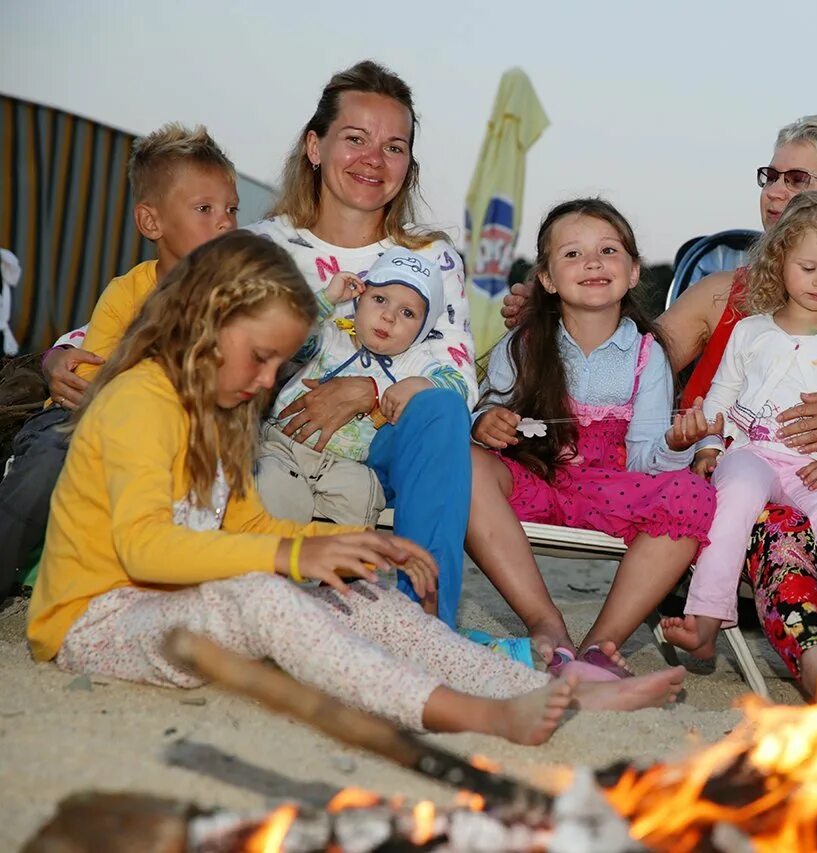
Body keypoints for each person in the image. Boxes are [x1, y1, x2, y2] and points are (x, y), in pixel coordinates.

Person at [26, 231, 687, 745]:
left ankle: (560, 688)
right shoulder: (138, 402)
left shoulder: (221, 410)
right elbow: (145, 549)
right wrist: (292, 558)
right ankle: (467, 711)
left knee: (365, 595)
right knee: (268, 595)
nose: (265, 382)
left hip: (188, 599)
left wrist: (355, 543)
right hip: (101, 618)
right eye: (260, 358)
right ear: (203, 321)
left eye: (278, 366)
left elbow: (250, 528)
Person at [506, 116, 817, 698]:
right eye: (771, 175)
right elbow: (622, 364)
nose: (773, 192)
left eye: (797, 179)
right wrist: (551, 316)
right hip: (726, 484)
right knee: (777, 523)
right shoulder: (724, 295)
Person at [246, 61, 477, 626]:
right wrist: (66, 350)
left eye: (394, 147)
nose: (374, 159)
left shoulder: (433, 259)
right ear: (315, 146)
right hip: (271, 434)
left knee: (442, 412)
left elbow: (458, 373)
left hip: (378, 440)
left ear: (409, 167)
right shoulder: (262, 246)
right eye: (355, 139)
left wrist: (370, 390)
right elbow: (176, 315)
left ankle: (423, 624)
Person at [660, 191, 817, 669]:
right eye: (809, 268)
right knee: (734, 499)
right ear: (779, 261)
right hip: (751, 451)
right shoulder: (749, 329)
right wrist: (711, 444)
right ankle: (706, 619)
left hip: (815, 463)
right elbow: (721, 396)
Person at [469, 198, 718, 675]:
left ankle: (601, 646)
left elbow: (646, 459)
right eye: (572, 254)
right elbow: (487, 406)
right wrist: (485, 423)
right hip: (535, 474)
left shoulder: (647, 356)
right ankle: (547, 624)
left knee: (691, 493)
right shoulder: (521, 344)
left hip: (613, 486)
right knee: (464, 464)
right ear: (546, 278)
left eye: (608, 250)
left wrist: (674, 446)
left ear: (632, 272)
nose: (592, 262)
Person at [0, 123, 239, 599]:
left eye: (232, 209)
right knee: (47, 461)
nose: (226, 223)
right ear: (151, 222)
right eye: (205, 209)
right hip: (82, 421)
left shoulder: (234, 301)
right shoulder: (125, 292)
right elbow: (89, 373)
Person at [256, 246, 456, 527]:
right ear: (359, 301)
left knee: (364, 496)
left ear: (423, 330)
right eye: (379, 299)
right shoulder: (330, 335)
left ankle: (341, 565)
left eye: (408, 313)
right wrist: (326, 300)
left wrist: (420, 384)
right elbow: (285, 339)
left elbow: (456, 389)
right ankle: (275, 559)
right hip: (284, 447)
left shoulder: (414, 363)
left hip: (348, 466)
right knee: (275, 490)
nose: (389, 316)